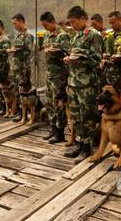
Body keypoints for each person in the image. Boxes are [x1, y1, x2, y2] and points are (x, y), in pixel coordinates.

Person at [64, 6, 103, 164]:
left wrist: (80, 57)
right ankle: (80, 143)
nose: (72, 25)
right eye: (70, 23)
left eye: (73, 22)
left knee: (88, 116)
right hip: (74, 82)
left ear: (82, 18)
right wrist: (69, 59)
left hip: (87, 84)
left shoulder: (94, 35)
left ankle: (87, 147)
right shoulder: (77, 35)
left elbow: (97, 59)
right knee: (76, 116)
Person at [39, 12, 70, 144]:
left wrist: (57, 51)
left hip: (59, 75)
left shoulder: (63, 36)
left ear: (52, 21)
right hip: (50, 75)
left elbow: (69, 53)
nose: (45, 28)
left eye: (46, 25)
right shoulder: (46, 35)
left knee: (59, 104)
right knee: (50, 103)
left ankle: (60, 131)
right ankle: (53, 127)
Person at [8, 13, 34, 122]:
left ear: (21, 21)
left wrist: (16, 51)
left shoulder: (28, 36)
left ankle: (25, 113)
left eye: (15, 23)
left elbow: (28, 52)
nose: (14, 26)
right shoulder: (18, 35)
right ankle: (20, 112)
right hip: (16, 68)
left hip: (23, 68)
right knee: (17, 90)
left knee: (23, 90)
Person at [102, 11, 121, 86]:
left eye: (113, 22)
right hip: (108, 73)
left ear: (120, 20)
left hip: (120, 75)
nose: (111, 25)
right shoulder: (110, 35)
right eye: (110, 23)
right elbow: (105, 50)